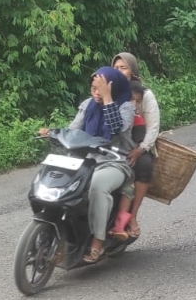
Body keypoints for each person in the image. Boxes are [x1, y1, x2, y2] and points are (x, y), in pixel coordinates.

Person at [41, 67, 136, 263]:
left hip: (113, 162)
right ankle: (60, 231)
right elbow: (73, 130)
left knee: (97, 186)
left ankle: (98, 242)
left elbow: (116, 127)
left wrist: (108, 99)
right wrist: (53, 133)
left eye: (101, 89)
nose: (96, 93)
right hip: (84, 160)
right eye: (93, 88)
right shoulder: (87, 105)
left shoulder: (126, 107)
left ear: (112, 88)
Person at [111, 52, 160, 238]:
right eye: (116, 68)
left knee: (144, 165)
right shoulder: (107, 90)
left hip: (138, 143)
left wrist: (141, 149)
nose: (120, 72)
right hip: (114, 142)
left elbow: (153, 126)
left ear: (133, 71)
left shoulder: (144, 94)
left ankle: (132, 216)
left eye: (124, 68)